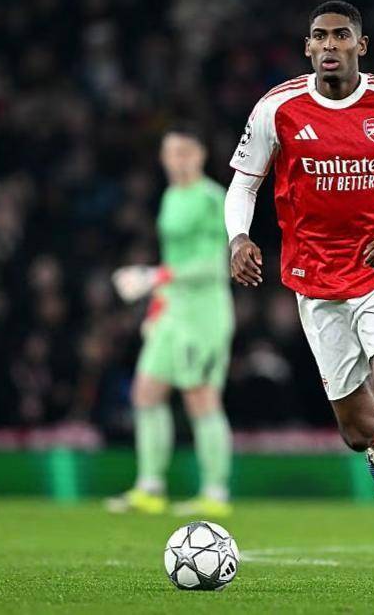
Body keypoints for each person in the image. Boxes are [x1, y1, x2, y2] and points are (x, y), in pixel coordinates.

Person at [224, 0, 374, 588]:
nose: (329, 44)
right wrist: (238, 238)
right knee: (358, 430)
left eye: (340, 35)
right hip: (316, 278)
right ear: (308, 47)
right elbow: (243, 186)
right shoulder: (277, 108)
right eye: (319, 36)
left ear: (362, 44)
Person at [108, 125, 234, 517]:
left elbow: (215, 265)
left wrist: (151, 277)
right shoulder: (170, 197)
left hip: (204, 313)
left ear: (200, 155)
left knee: (201, 398)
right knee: (145, 392)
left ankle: (215, 493)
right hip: (172, 310)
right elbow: (173, 260)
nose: (178, 161)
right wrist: (156, 306)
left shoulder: (212, 198)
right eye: (171, 153)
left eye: (185, 152)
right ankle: (150, 487)